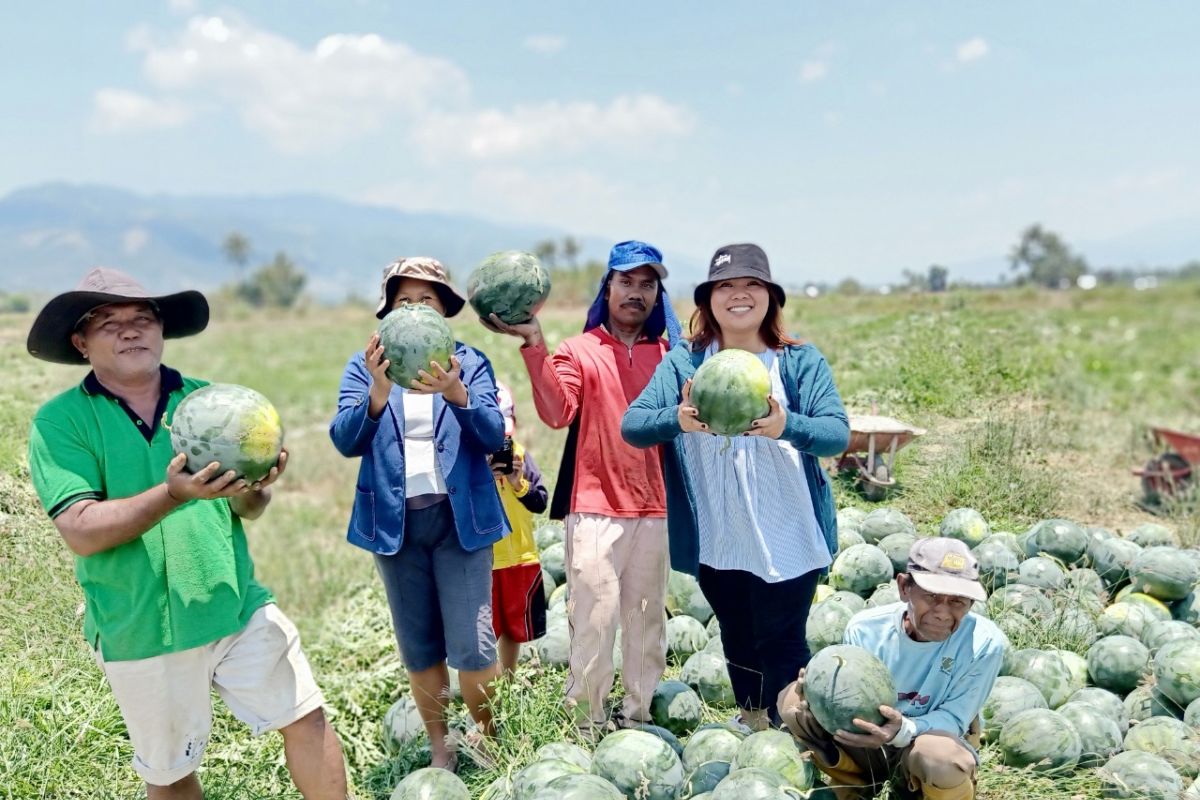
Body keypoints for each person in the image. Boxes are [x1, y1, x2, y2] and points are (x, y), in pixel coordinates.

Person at [25, 268, 347, 800]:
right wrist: (173, 493)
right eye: (109, 322)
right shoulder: (60, 423)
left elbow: (248, 507)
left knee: (306, 717)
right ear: (81, 343)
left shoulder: (213, 406)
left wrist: (254, 487)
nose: (130, 330)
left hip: (234, 603)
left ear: (161, 331)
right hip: (141, 625)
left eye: (142, 318)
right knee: (171, 776)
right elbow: (80, 530)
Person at [622, 242, 849, 731]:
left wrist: (788, 426)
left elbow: (836, 434)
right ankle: (753, 724)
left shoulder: (798, 361)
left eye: (751, 284)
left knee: (780, 640)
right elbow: (634, 425)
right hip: (719, 534)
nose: (739, 294)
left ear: (770, 296)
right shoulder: (686, 362)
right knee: (738, 636)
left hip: (788, 531)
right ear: (708, 300)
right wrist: (677, 419)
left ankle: (793, 733)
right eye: (725, 285)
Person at [487, 240, 683, 732]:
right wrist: (536, 344)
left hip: (655, 509)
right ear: (608, 288)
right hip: (594, 507)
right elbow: (556, 414)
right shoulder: (579, 350)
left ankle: (636, 722)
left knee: (647, 627)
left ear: (658, 295)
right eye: (626, 282)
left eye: (647, 284)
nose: (635, 293)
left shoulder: (671, 356)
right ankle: (586, 726)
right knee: (594, 624)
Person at [329, 256, 508, 771]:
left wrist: (456, 392)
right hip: (396, 527)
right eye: (404, 301)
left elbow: (494, 434)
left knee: (473, 646)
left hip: (461, 524)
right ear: (387, 313)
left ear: (444, 312)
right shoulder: (363, 368)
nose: (414, 310)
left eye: (426, 300)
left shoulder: (467, 362)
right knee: (420, 646)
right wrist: (378, 391)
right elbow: (345, 440)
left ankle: (488, 737)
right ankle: (439, 745)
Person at [777, 538, 1007, 800]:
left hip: (927, 742)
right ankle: (856, 786)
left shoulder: (984, 644)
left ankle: (916, 790)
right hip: (866, 741)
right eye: (931, 596)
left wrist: (901, 731)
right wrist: (819, 689)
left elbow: (955, 719)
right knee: (793, 701)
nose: (943, 613)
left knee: (942, 758)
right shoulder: (866, 629)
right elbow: (846, 701)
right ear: (904, 588)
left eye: (958, 601)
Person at [488, 381, 550, 676]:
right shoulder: (468, 465)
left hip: (521, 558)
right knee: (487, 632)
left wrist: (517, 483)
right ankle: (490, 688)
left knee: (514, 629)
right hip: (485, 562)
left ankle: (509, 681)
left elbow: (540, 502)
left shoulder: (521, 458)